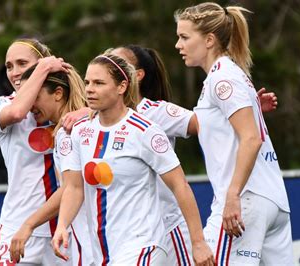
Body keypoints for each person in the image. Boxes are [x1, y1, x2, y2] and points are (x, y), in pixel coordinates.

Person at [51, 53, 215, 265]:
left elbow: (180, 185)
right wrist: (62, 224)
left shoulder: (145, 131)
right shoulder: (80, 132)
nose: (90, 89)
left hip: (144, 245)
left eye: (99, 83)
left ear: (122, 87)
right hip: (105, 250)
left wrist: (198, 242)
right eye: (88, 82)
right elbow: (74, 188)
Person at [174, 2, 293, 265]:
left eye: (184, 37)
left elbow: (251, 138)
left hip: (246, 199)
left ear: (208, 40)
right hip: (273, 200)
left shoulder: (222, 78)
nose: (178, 45)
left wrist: (233, 195)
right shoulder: (229, 73)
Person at [0, 38, 72, 265]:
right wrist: (44, 67)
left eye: (22, 63)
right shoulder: (1, 104)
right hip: (19, 225)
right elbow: (16, 113)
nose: (14, 72)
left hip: (65, 227)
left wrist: (84, 113)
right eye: (9, 66)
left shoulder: (68, 108)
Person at [9, 64, 93, 265]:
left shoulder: (68, 132)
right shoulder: (85, 123)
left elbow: (70, 188)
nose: (30, 105)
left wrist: (28, 225)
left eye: (35, 97)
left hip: (91, 241)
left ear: (58, 93)